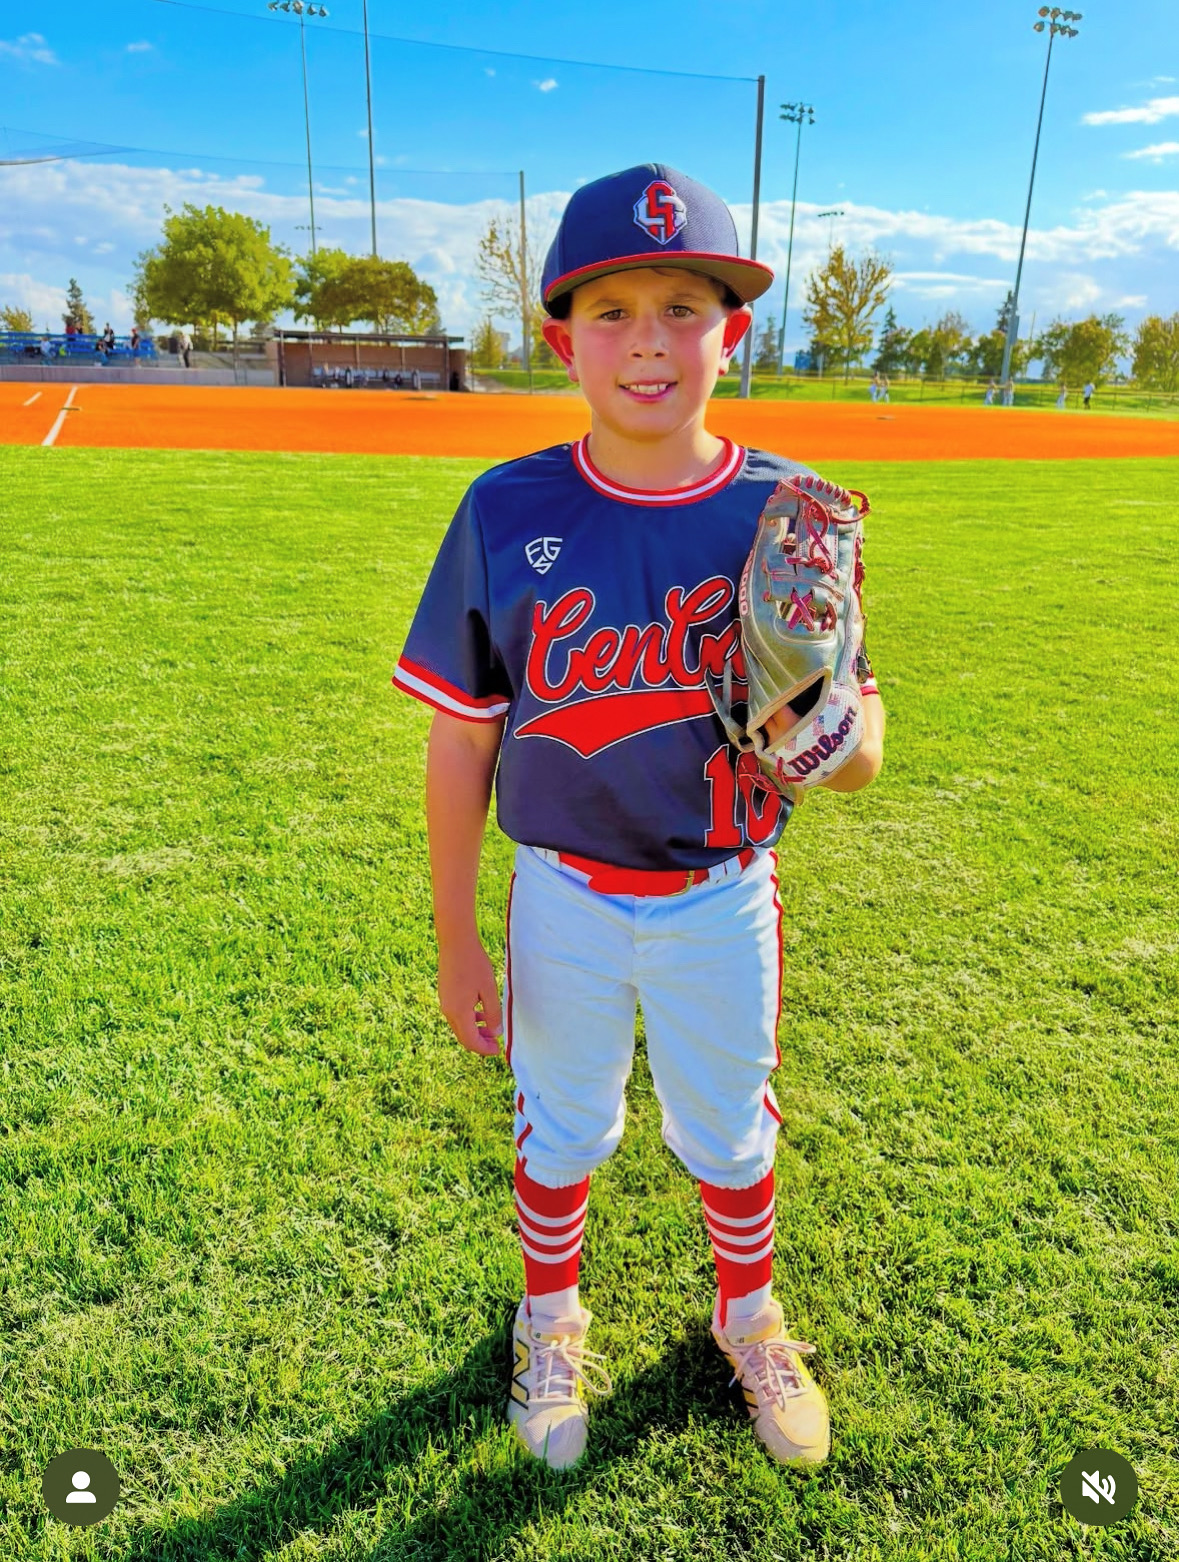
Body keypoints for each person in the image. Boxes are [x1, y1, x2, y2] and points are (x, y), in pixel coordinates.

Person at [392, 164, 886, 1473]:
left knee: (729, 1126)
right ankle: (550, 1318)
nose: (651, 340)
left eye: (686, 304)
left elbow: (851, 726)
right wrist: (458, 939)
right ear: (562, 339)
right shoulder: (506, 508)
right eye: (612, 310)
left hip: (723, 891)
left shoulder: (784, 512)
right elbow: (462, 735)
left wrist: (837, 738)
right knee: (562, 1123)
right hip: (561, 892)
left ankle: (749, 1316)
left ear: (734, 329)